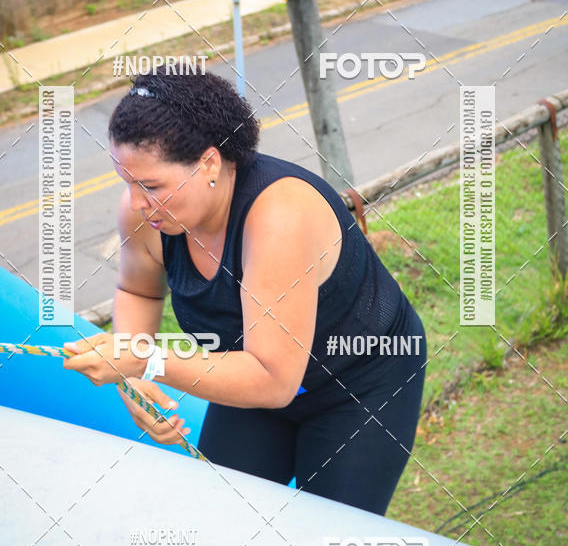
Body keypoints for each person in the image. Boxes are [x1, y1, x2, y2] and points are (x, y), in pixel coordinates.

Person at [64, 68, 427, 516]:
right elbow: (138, 291)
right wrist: (134, 380)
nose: (137, 202)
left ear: (210, 163)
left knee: (330, 544)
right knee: (222, 523)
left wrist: (146, 359)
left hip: (360, 382)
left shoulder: (280, 216)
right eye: (127, 181)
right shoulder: (144, 215)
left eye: (152, 186)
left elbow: (275, 380)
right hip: (250, 378)